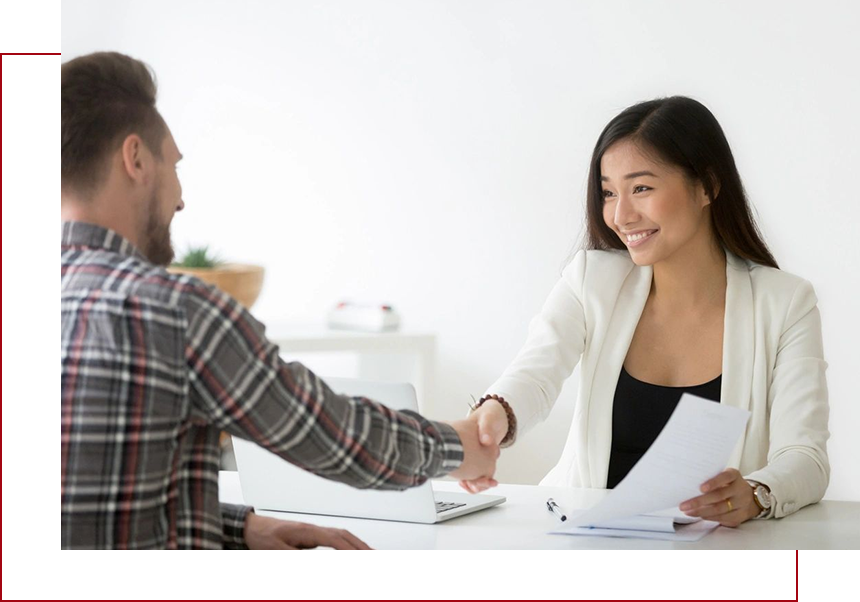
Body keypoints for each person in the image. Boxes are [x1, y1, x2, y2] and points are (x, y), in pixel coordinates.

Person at [61, 51, 498, 550]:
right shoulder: (173, 311)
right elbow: (330, 434)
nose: (180, 197)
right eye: (174, 164)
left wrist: (237, 527)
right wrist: (460, 446)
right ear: (135, 158)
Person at [462, 96, 830, 527]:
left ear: (707, 186)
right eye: (608, 192)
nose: (621, 215)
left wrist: (756, 493)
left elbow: (805, 457)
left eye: (641, 188)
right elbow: (535, 374)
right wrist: (493, 416)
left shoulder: (785, 303)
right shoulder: (591, 280)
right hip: (585, 536)